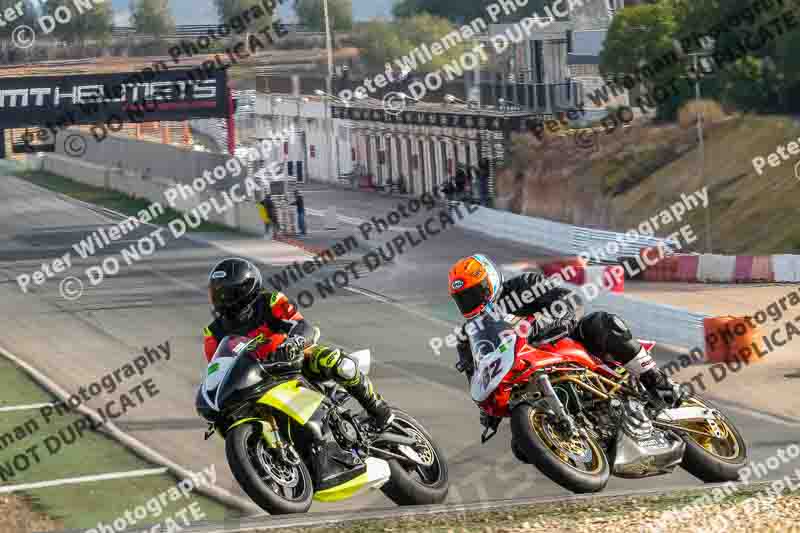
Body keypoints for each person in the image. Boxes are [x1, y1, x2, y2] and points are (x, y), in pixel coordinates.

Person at [203, 258, 394, 489]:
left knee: (333, 361)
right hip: (259, 377)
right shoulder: (214, 332)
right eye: (216, 293)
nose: (219, 299)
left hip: (294, 361)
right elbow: (219, 365)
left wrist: (294, 342)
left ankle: (378, 409)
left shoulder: (270, 301)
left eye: (225, 293)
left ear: (243, 289)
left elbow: (303, 326)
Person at [448, 255, 683, 414]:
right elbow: (478, 376)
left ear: (490, 281)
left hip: (564, 341)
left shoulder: (523, 286)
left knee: (601, 323)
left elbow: (568, 302)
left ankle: (658, 382)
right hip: (525, 373)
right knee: (522, 449)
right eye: (464, 299)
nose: (473, 302)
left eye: (475, 293)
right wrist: (488, 412)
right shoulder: (468, 335)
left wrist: (535, 326)